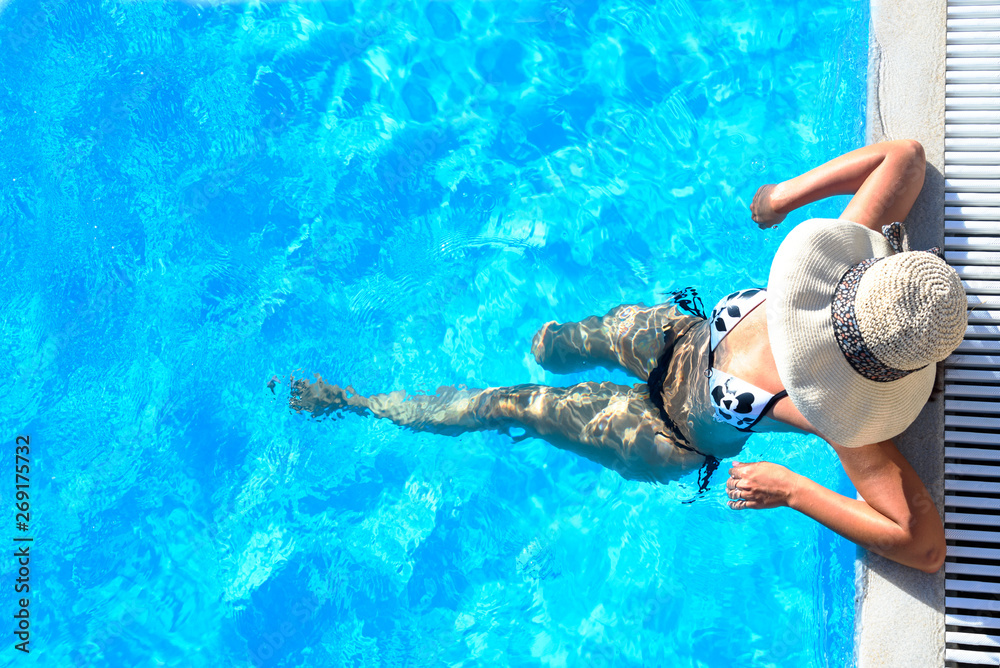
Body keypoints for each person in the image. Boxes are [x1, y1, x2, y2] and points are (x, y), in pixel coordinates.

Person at [290, 140, 967, 574]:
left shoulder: (834, 410)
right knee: (552, 346)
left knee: (506, 405)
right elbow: (905, 157)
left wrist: (792, 489)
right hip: (678, 336)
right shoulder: (860, 287)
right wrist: (782, 195)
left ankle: (357, 404)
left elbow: (925, 546)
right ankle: (554, 350)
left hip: (666, 432)